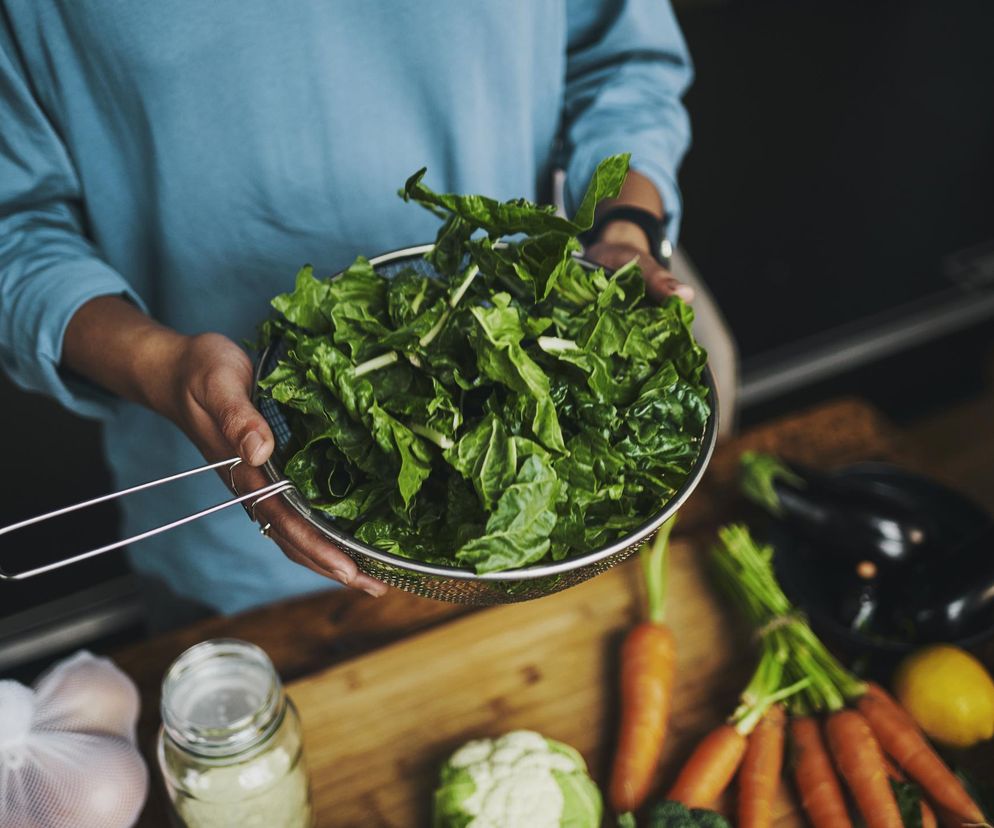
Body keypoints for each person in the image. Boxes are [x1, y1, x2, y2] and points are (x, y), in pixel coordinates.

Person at [0, 1, 737, 618]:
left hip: (536, 525)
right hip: (227, 524)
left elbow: (622, 63)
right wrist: (162, 368)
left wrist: (627, 229)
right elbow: (14, 227)